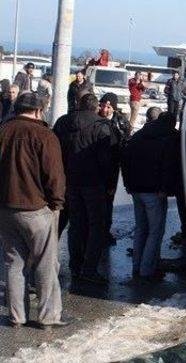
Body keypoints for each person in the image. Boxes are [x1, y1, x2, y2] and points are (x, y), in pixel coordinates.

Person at [0, 93, 68, 329]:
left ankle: (16, 316)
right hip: (37, 208)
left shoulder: (3, 131)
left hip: (6, 208)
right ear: (39, 111)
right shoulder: (44, 135)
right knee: (45, 264)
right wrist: (56, 202)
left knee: (13, 264)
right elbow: (54, 175)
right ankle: (48, 316)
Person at [54, 94, 114, 284]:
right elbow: (107, 159)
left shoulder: (63, 122)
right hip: (94, 183)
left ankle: (75, 264)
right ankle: (89, 269)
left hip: (69, 180)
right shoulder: (102, 126)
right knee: (97, 226)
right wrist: (109, 184)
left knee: (76, 223)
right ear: (96, 107)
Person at [121, 111, 179, 282]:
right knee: (155, 231)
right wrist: (165, 188)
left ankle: (137, 266)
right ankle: (148, 270)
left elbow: (125, 159)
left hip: (136, 190)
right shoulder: (167, 138)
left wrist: (128, 184)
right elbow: (168, 166)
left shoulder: (140, 134)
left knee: (141, 229)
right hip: (154, 191)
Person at [98, 93, 132, 245]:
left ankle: (105, 232)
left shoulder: (120, 122)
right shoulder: (94, 120)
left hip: (111, 168)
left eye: (109, 107)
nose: (105, 110)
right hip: (95, 169)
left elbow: (124, 145)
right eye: (103, 106)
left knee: (107, 202)